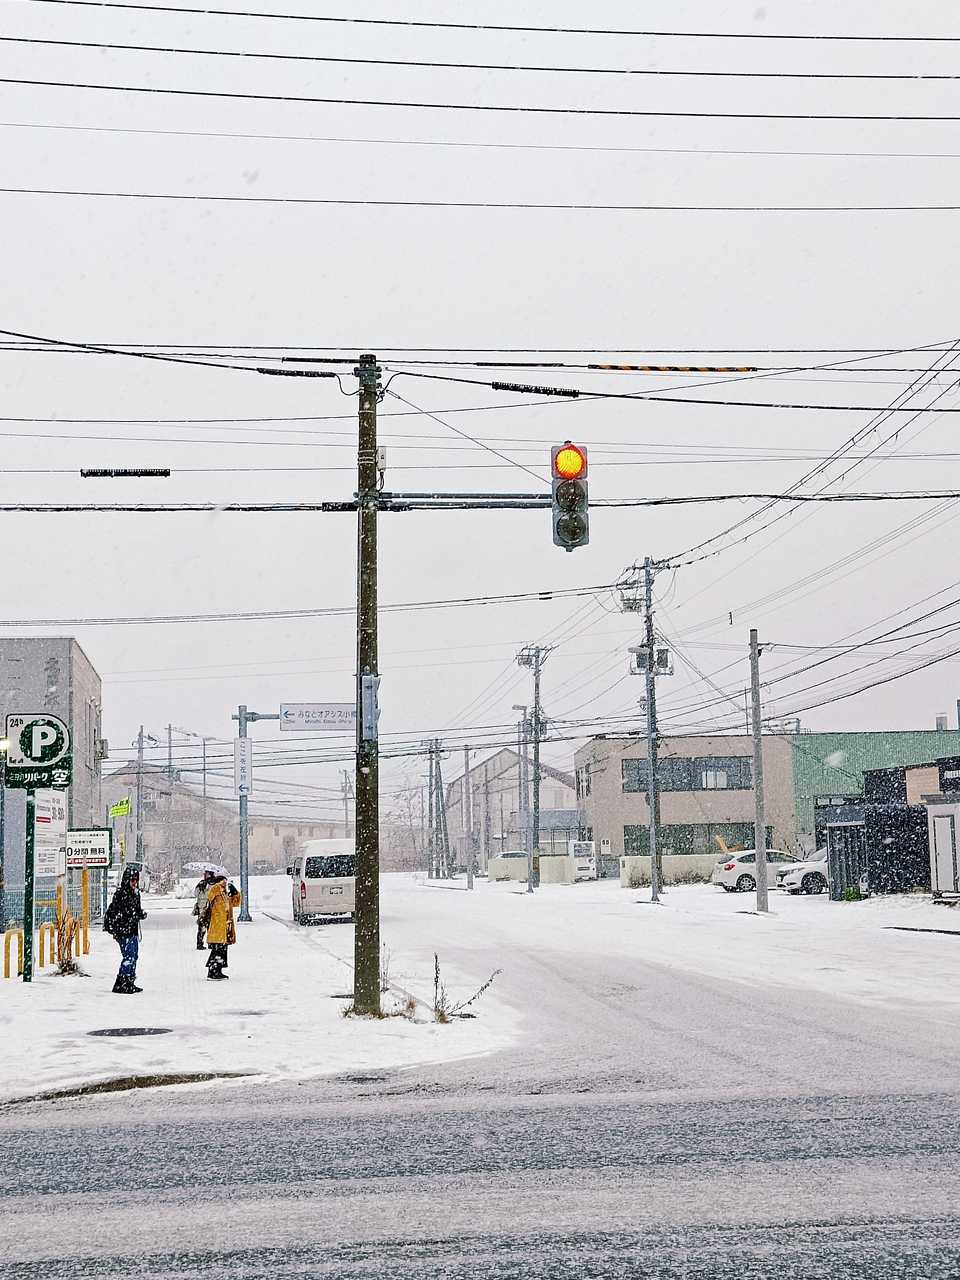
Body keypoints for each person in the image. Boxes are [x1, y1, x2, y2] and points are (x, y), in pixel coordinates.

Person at [104, 866, 147, 994]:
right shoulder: (121, 894)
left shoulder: (135, 894)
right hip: (123, 931)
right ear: (127, 880)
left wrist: (140, 914)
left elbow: (135, 910)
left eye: (136, 880)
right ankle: (121, 983)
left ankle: (129, 982)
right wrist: (131, 915)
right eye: (132, 880)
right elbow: (118, 912)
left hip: (131, 930)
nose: (134, 883)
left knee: (134, 956)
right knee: (128, 956)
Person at [205, 876, 241, 980]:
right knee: (217, 950)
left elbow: (236, 903)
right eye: (223, 882)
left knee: (222, 950)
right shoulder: (216, 891)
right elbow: (210, 895)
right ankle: (212, 972)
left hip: (226, 926)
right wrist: (218, 886)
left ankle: (218, 970)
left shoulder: (225, 894)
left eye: (226, 881)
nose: (225, 883)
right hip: (217, 926)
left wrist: (235, 893)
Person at [192, 870, 215, 950]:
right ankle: (200, 943)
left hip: (212, 908)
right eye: (204, 874)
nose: (205, 875)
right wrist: (199, 887)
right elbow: (195, 894)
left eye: (206, 874)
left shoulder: (214, 883)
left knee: (211, 927)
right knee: (202, 926)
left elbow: (213, 895)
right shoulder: (201, 883)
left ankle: (211, 943)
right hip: (202, 908)